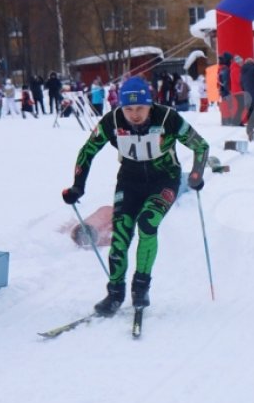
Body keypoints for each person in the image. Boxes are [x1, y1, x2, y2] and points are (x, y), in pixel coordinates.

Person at [60, 76, 210, 314]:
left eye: (140, 107)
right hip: (129, 181)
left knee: (147, 223)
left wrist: (196, 174)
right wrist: (78, 186)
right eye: (129, 109)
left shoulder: (168, 118)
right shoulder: (113, 120)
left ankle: (141, 288)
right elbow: (88, 150)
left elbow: (200, 146)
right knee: (120, 234)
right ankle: (115, 293)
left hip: (164, 180)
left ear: (151, 104)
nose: (135, 114)